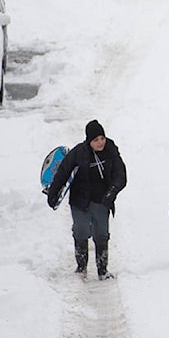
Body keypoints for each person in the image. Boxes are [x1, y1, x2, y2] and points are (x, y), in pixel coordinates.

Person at [47, 120, 127, 280]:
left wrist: (111, 193)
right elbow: (62, 173)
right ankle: (81, 268)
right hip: (80, 200)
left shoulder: (111, 150)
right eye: (96, 140)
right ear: (89, 140)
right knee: (81, 231)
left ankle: (102, 270)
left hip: (102, 200)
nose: (100, 143)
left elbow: (121, 175)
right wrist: (53, 193)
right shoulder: (78, 153)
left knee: (101, 234)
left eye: (102, 138)